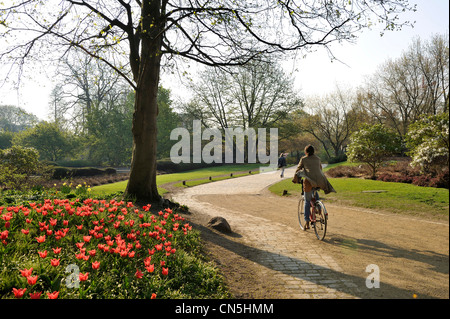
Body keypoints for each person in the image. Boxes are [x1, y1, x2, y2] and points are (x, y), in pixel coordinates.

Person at [292, 145, 336, 229]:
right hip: (320, 181)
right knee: (315, 192)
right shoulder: (318, 159)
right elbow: (319, 169)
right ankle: (318, 207)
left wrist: (296, 179)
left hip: (309, 182)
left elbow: (298, 169)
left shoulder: (304, 159)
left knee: (307, 201)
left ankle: (307, 221)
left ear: (306, 152)